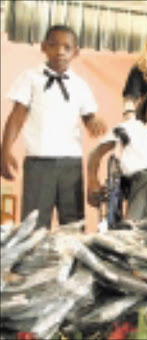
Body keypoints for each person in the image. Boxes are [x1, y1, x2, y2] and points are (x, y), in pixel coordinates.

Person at [0, 25, 107, 228]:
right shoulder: (30, 78)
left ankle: (72, 261)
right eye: (53, 45)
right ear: (43, 48)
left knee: (73, 223)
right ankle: (33, 260)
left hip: (71, 164)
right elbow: (16, 117)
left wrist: (93, 121)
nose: (60, 51)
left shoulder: (80, 85)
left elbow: (88, 115)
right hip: (38, 162)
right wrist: (4, 150)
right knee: (34, 225)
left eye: (67, 47)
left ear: (75, 52)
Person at [87, 89, 147, 220]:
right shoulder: (132, 128)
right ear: (145, 114)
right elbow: (96, 153)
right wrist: (93, 180)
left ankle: (146, 222)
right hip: (137, 181)